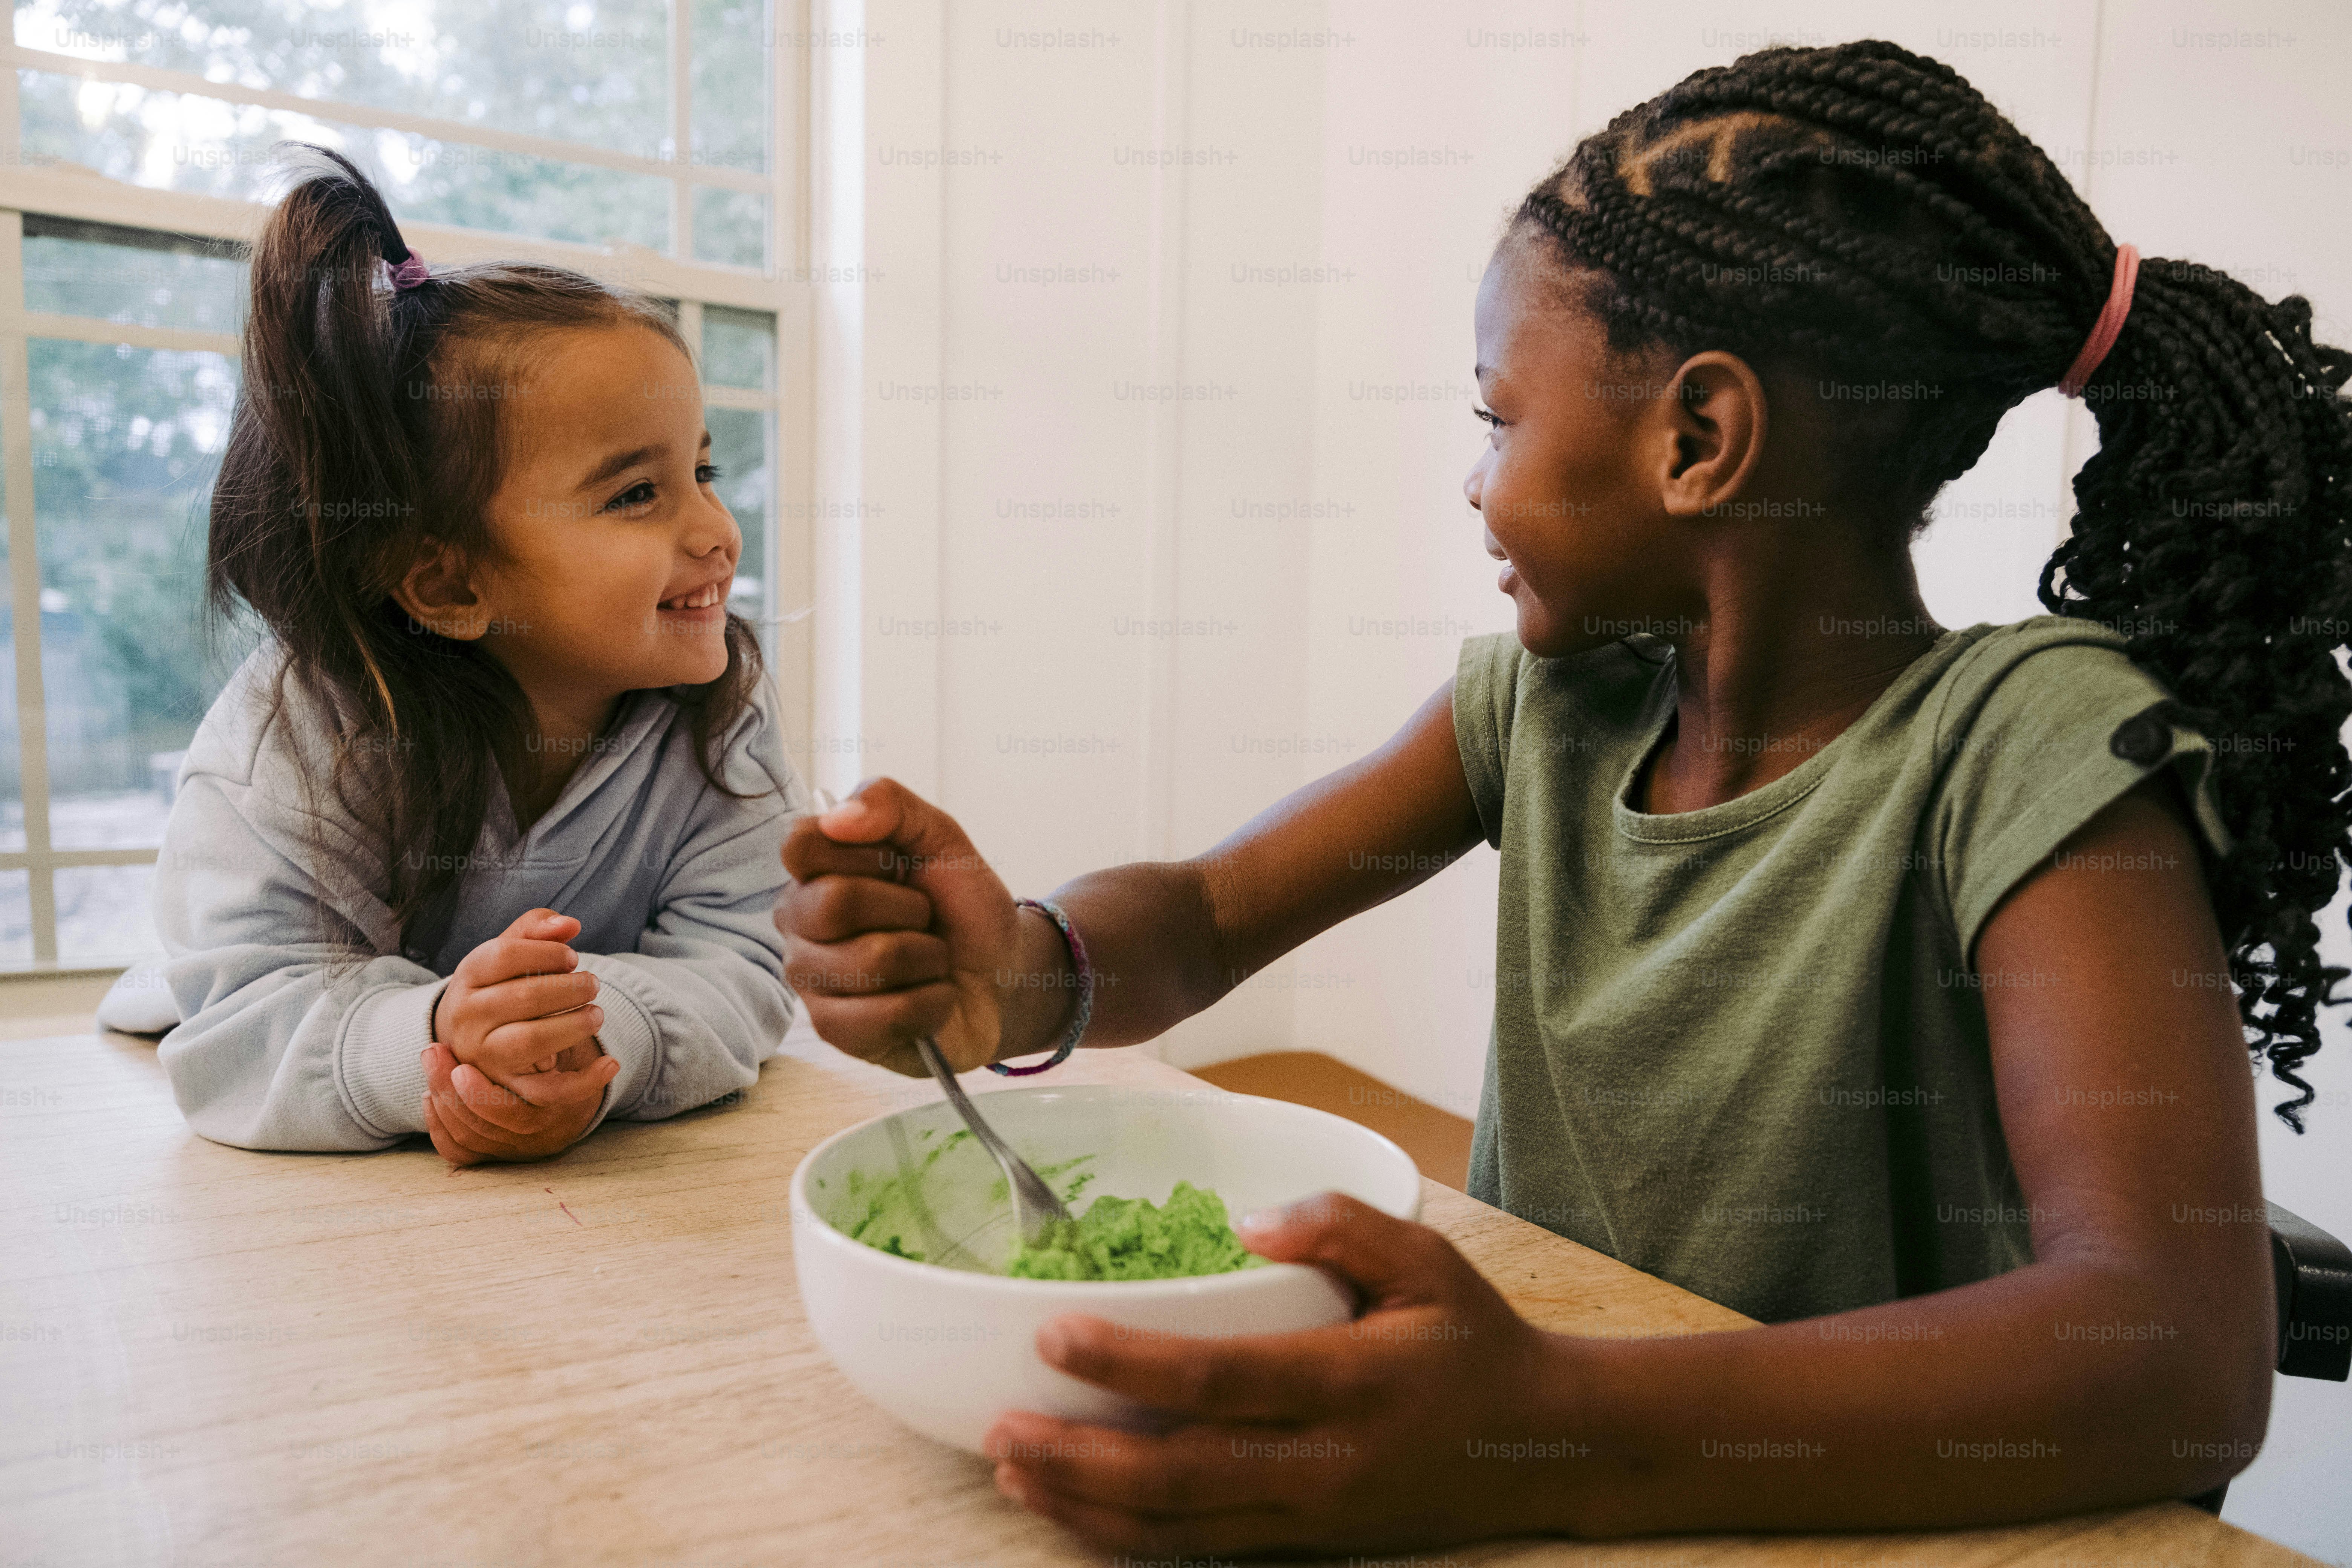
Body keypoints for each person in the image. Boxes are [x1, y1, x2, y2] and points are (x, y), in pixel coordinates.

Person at [776, 40, 2349, 1551]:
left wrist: (1545, 1423)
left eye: (1496, 415)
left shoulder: (2032, 746)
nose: (1474, 480)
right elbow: (1202, 914)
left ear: (1701, 438)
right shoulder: (1551, 706)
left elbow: (2174, 1352)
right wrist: (1031, 964)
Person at [96, 146, 806, 1162]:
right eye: (635, 494)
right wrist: (433, 1048)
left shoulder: (718, 709)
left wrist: (588, 1049)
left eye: (704, 469)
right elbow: (248, 1026)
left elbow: (745, 955)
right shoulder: (298, 739)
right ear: (450, 586)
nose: (717, 531)